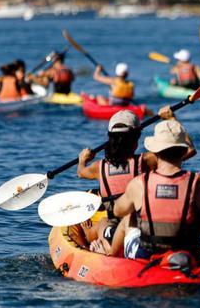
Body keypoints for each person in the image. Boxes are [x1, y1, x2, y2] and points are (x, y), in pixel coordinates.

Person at [107, 120, 200, 261]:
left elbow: (118, 211)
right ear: (184, 151)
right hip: (188, 255)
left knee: (128, 219)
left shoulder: (139, 184)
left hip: (147, 257)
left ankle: (110, 256)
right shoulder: (198, 183)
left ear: (155, 152)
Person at [76, 108, 189, 254]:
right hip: (144, 224)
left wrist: (83, 159)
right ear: (136, 141)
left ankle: (93, 238)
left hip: (114, 227)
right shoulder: (147, 161)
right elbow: (188, 151)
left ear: (110, 140)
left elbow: (80, 172)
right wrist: (171, 120)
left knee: (102, 223)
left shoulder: (98, 167)